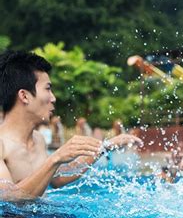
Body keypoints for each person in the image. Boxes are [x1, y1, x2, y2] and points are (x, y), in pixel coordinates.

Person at [0, 50, 142, 200]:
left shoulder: (38, 139)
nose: (53, 98)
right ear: (24, 96)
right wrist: (56, 157)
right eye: (47, 89)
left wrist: (104, 147)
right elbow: (7, 197)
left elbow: (59, 177)